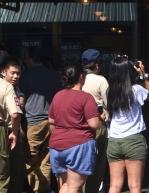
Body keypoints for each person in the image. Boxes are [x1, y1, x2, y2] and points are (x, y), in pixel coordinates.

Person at [49, 63, 102, 193]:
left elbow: (51, 120)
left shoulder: (58, 95)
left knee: (67, 185)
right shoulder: (85, 97)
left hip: (56, 145)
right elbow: (94, 124)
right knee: (73, 186)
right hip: (78, 145)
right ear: (81, 77)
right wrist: (101, 119)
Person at [106, 56, 149, 193]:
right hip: (133, 140)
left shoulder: (110, 91)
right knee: (134, 186)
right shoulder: (135, 90)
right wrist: (143, 74)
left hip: (114, 140)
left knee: (114, 186)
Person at [20, 46, 63, 193]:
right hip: (52, 122)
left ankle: (36, 189)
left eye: (26, 58)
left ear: (31, 59)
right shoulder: (54, 75)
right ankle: (45, 189)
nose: (25, 61)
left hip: (33, 122)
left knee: (29, 159)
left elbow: (21, 101)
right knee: (46, 159)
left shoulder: (26, 76)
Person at [0, 49, 22, 193]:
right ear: (3, 69)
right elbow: (15, 114)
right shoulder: (5, 86)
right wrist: (15, 133)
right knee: (1, 177)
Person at [81, 49, 109, 193]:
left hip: (79, 126)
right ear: (97, 65)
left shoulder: (78, 79)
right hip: (97, 124)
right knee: (97, 164)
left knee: (80, 163)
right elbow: (108, 105)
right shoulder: (101, 80)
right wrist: (105, 117)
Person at [2, 56, 26, 193]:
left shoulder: (16, 89)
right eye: (13, 73)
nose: (16, 76)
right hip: (5, 131)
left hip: (15, 131)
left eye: (18, 73)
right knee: (4, 169)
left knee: (17, 169)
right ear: (4, 72)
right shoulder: (2, 87)